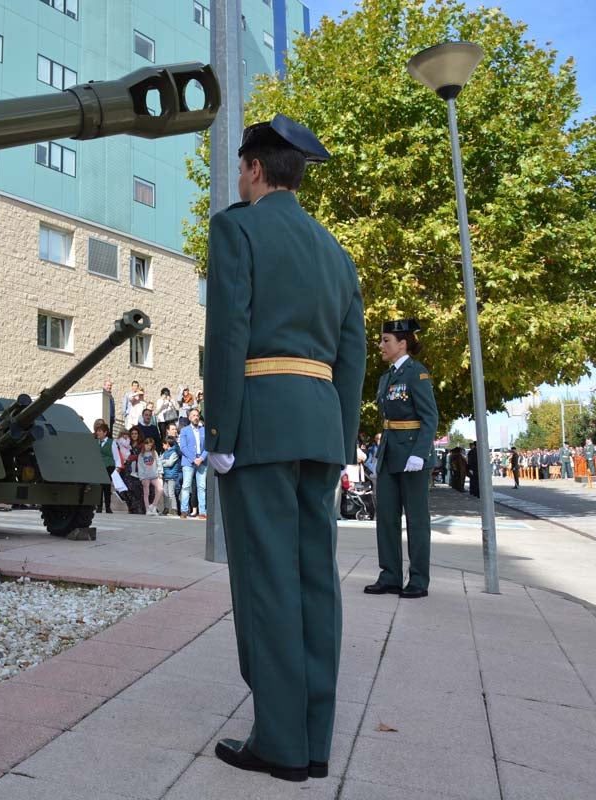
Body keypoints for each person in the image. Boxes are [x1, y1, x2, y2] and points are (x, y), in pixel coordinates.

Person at [203, 115, 365, 782]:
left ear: (255, 170)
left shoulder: (237, 228)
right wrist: (344, 439)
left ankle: (278, 742)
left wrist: (220, 433)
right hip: (319, 428)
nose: (238, 178)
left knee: (267, 582)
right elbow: (352, 356)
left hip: (260, 426)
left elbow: (229, 333)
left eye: (242, 168)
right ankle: (315, 740)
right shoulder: (336, 252)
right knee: (315, 583)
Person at [365, 318, 438, 600]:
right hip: (389, 455)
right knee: (386, 518)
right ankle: (390, 576)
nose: (381, 345)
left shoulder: (416, 374)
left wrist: (420, 454)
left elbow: (429, 418)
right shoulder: (386, 378)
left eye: (386, 341)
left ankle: (418, 579)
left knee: (417, 520)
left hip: (412, 456)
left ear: (402, 343)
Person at [178, 408, 209, 519]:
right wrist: (193, 459)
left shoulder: (204, 430)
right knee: (186, 486)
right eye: (193, 415)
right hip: (188, 462)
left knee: (202, 487)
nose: (196, 417)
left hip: (202, 461)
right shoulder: (184, 430)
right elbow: (183, 447)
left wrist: (201, 458)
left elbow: (208, 446)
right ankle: (184, 510)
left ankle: (202, 511)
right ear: (190, 417)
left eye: (197, 415)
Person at [136, 437, 163, 515]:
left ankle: (153, 506)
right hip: (145, 476)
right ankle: (147, 509)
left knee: (160, 489)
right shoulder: (141, 455)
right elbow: (140, 466)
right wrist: (141, 478)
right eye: (147, 445)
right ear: (144, 445)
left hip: (154, 475)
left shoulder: (154, 453)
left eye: (150, 445)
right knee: (146, 493)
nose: (148, 447)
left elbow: (158, 463)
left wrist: (160, 472)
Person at [94, 420, 115, 513]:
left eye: (100, 431)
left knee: (106, 487)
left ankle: (108, 507)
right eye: (97, 431)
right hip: (99, 467)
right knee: (99, 487)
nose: (98, 433)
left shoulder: (111, 442)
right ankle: (99, 506)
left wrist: (117, 468)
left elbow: (116, 455)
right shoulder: (96, 442)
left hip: (108, 466)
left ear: (105, 432)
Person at [160, 435, 182, 515]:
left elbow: (170, 463)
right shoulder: (164, 453)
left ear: (167, 444)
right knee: (165, 492)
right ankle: (166, 508)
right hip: (165, 476)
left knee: (171, 493)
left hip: (172, 476)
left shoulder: (174, 453)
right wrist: (163, 462)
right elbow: (160, 461)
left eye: (163, 444)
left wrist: (163, 462)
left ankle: (174, 509)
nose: (162, 446)